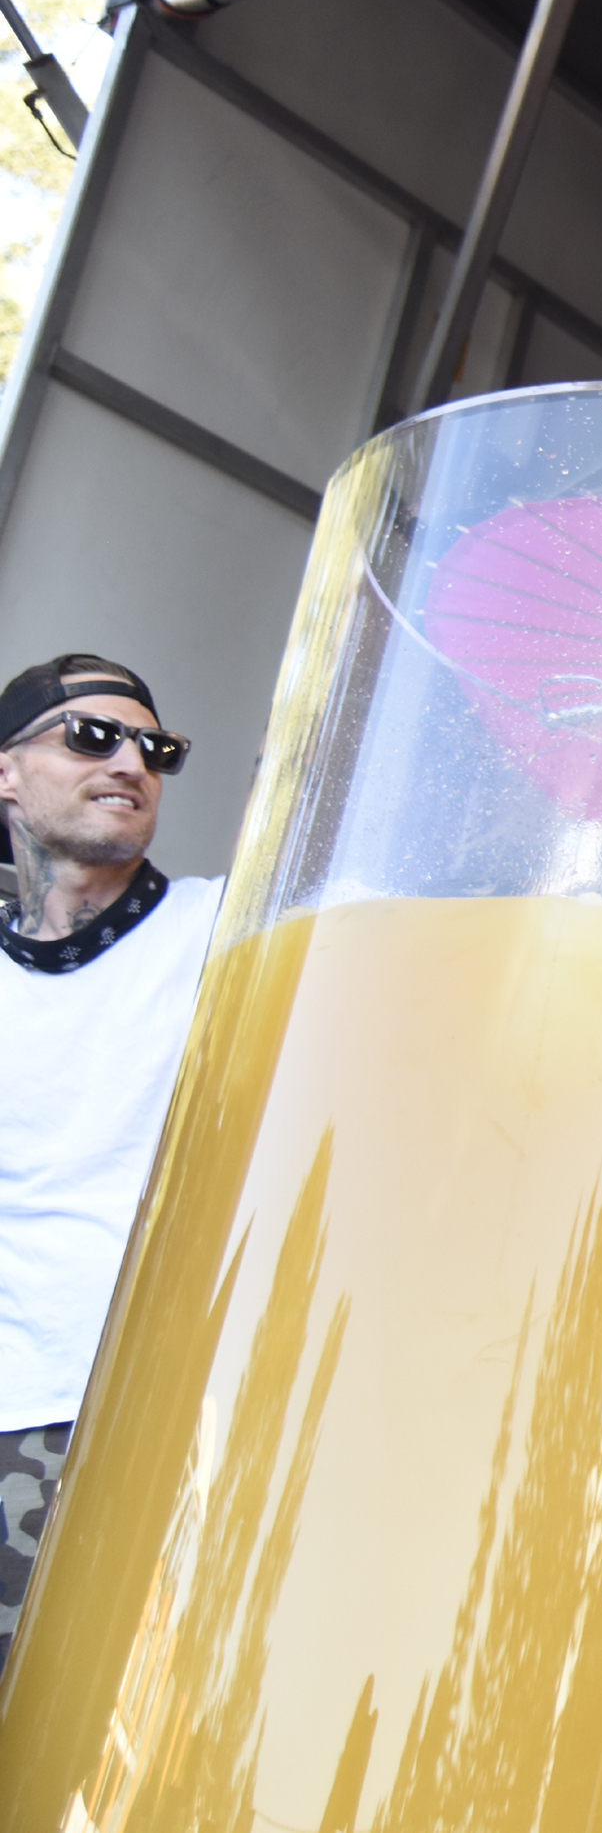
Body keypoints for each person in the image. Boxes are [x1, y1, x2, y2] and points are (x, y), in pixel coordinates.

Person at [0, 655, 221, 1676]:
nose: (131, 759)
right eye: (91, 735)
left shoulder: (229, 929)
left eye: (155, 747)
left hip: (140, 1421)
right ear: (8, 774)